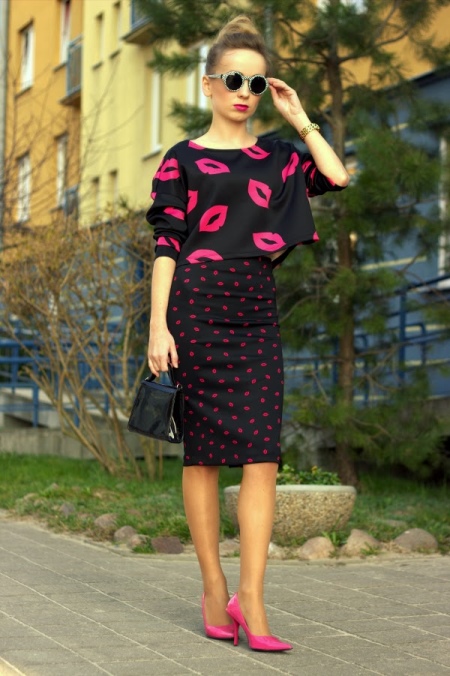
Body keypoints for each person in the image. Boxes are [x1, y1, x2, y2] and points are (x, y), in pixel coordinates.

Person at [146, 15, 349, 652]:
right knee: (203, 457)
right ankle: (214, 588)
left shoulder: (280, 157)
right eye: (233, 79)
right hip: (194, 310)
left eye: (256, 83)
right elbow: (166, 245)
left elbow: (337, 176)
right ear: (208, 83)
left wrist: (300, 118)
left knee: (263, 456)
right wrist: (157, 326)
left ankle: (252, 600)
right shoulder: (181, 160)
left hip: (254, 311)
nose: (244, 92)